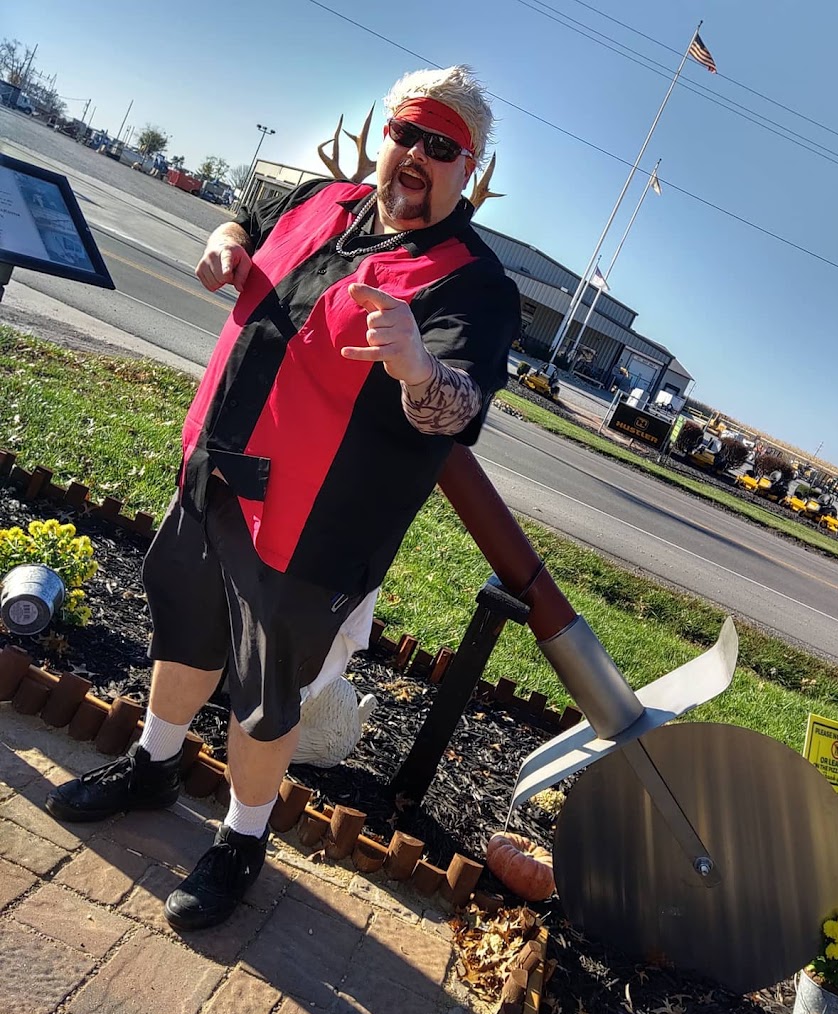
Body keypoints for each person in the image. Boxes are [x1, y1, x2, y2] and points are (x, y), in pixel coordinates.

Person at [45, 65, 521, 930]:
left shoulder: (475, 286)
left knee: (266, 697)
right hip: (217, 473)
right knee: (184, 631)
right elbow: (249, 216)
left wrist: (415, 363)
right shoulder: (323, 201)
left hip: (314, 526)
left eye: (440, 146)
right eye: (405, 134)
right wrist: (227, 239)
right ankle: (153, 766)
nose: (415, 156)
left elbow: (457, 405)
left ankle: (242, 839)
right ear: (387, 138)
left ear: (470, 168)